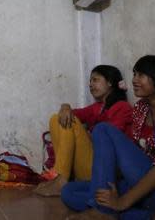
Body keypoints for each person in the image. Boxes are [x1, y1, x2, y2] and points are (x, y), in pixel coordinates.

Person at [62, 55, 155, 219]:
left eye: (141, 75)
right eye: (134, 74)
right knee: (69, 191)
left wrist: (122, 201)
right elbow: (130, 152)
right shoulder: (140, 109)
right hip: (142, 183)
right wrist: (113, 186)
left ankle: (103, 212)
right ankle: (149, 217)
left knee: (102, 130)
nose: (134, 80)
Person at [34, 65, 132, 197]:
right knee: (56, 119)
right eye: (90, 82)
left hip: (103, 169)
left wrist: (87, 134)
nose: (91, 85)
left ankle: (61, 180)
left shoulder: (122, 107)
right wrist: (65, 106)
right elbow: (69, 113)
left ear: (109, 82)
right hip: (87, 166)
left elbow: (110, 141)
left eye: (95, 80)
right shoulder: (97, 107)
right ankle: (62, 176)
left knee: (71, 122)